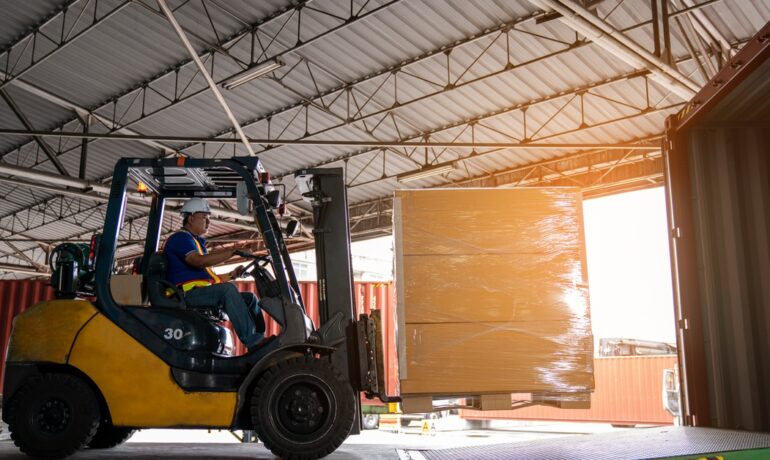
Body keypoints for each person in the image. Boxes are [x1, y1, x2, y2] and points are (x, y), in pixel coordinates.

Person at [164, 198, 265, 349]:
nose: (208, 222)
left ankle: (259, 339)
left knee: (249, 298)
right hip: (186, 295)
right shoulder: (180, 238)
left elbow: (208, 279)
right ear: (191, 218)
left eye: (209, 218)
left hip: (200, 292)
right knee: (228, 290)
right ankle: (253, 342)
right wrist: (232, 251)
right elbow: (197, 261)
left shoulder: (196, 242)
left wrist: (233, 274)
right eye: (204, 217)